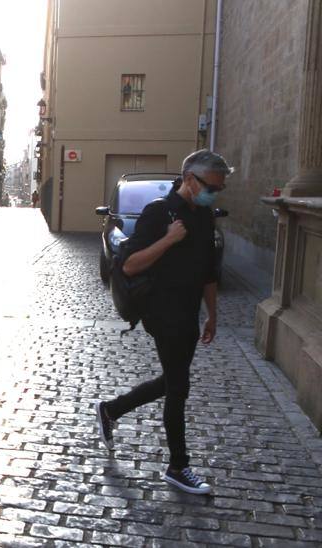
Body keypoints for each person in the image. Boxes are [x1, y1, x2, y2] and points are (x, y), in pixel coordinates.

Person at [95, 149, 230, 496]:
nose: (215, 192)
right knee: (179, 388)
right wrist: (169, 239)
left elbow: (208, 272)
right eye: (212, 186)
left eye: (220, 188)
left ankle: (111, 410)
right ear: (189, 180)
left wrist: (212, 314)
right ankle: (177, 466)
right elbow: (129, 265)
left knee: (172, 381)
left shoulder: (204, 216)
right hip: (162, 311)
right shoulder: (158, 213)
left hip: (189, 312)